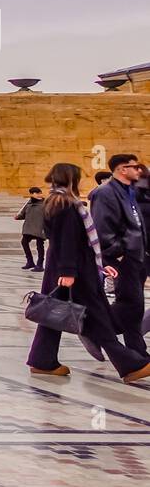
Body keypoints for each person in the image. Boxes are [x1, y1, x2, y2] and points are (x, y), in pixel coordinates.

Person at [27, 162, 150, 383]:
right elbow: (67, 241)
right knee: (98, 318)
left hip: (67, 268)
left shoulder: (54, 202)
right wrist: (69, 272)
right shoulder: (65, 204)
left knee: (52, 313)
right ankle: (131, 366)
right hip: (75, 273)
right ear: (71, 178)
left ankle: (42, 360)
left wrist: (100, 263)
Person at [89, 153, 147, 357]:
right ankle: (92, 329)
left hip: (136, 256)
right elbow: (102, 226)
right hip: (122, 258)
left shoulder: (128, 191)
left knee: (134, 306)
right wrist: (118, 253)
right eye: (135, 166)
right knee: (130, 303)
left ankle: (137, 350)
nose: (139, 170)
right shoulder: (105, 193)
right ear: (123, 169)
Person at [16, 186, 46, 271]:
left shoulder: (45, 203)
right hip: (29, 228)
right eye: (33, 193)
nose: (35, 195)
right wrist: (18, 217)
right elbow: (23, 213)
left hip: (40, 228)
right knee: (24, 242)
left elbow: (49, 215)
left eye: (37, 193)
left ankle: (40, 264)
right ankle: (30, 262)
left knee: (39, 246)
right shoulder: (29, 203)